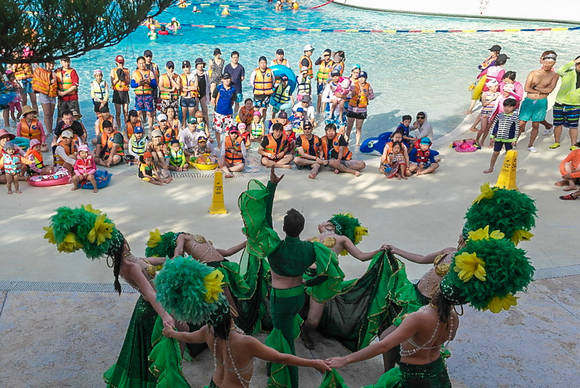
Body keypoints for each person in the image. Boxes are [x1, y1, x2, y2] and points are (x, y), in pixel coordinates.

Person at [44, 206, 177, 387]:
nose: (126, 240)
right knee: (154, 349)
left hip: (149, 306)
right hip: (151, 310)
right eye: (123, 240)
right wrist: (165, 315)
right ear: (122, 246)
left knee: (151, 348)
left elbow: (149, 261)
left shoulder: (128, 261)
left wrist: (171, 260)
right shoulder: (130, 267)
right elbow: (151, 293)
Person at [161, 263, 329, 388]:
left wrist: (171, 333)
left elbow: (187, 337)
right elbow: (282, 357)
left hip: (214, 384)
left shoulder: (207, 331)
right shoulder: (245, 342)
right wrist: (314, 363)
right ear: (231, 312)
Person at [302, 214, 383, 349]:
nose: (322, 223)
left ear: (332, 226)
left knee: (313, 318)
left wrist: (379, 251)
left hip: (317, 279)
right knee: (307, 311)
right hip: (311, 276)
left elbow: (362, 256)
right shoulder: (313, 238)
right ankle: (303, 329)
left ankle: (307, 332)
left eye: (326, 221)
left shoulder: (340, 239)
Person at [519, 51, 560, 152]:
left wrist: (536, 88)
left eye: (551, 63)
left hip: (541, 102)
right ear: (541, 60)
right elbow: (527, 88)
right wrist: (542, 91)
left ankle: (530, 144)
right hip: (529, 100)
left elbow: (550, 90)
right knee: (521, 123)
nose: (548, 65)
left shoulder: (554, 75)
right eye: (546, 62)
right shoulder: (533, 73)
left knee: (535, 124)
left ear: (554, 63)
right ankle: (514, 141)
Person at [550, 56, 580, 150]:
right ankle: (557, 142)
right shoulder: (568, 72)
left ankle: (573, 144)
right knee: (557, 124)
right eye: (578, 63)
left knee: (573, 126)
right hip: (560, 102)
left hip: (575, 105)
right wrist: (573, 61)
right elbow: (559, 71)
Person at [483, 98, 519, 174]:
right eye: (505, 106)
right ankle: (491, 168)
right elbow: (495, 126)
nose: (506, 108)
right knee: (495, 153)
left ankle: (508, 170)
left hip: (509, 140)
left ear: (514, 107)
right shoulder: (499, 115)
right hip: (499, 138)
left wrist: (515, 139)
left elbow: (517, 128)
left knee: (509, 155)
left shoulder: (515, 117)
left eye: (509, 107)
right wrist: (492, 137)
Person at [346, 70, 374, 145]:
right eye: (360, 77)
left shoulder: (368, 86)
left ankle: (357, 143)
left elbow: (372, 97)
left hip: (362, 110)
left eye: (363, 77)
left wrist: (367, 94)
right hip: (352, 108)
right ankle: (347, 140)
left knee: (358, 128)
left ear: (366, 78)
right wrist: (351, 93)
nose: (361, 79)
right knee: (349, 126)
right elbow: (347, 95)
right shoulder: (353, 85)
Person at [32, 61, 57, 139]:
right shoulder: (40, 71)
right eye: (49, 63)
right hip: (44, 94)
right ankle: (49, 131)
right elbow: (35, 66)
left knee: (51, 114)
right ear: (45, 64)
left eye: (52, 64)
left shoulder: (55, 73)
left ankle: (50, 130)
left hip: (52, 95)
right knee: (47, 113)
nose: (51, 65)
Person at [131, 56, 157, 130]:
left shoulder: (149, 72)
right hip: (139, 96)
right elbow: (132, 85)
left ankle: (150, 128)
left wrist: (149, 82)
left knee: (149, 113)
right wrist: (138, 84)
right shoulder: (135, 73)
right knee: (139, 113)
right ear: (137, 64)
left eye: (143, 63)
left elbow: (155, 84)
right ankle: (140, 127)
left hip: (148, 95)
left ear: (145, 63)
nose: (142, 65)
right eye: (140, 63)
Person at [212, 72, 236, 145]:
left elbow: (232, 101)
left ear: (230, 79)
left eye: (228, 78)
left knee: (229, 131)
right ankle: (219, 143)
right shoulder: (218, 88)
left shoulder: (233, 89)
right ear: (222, 80)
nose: (227, 80)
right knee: (217, 130)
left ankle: (227, 144)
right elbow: (213, 99)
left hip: (229, 113)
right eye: (225, 79)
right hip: (218, 113)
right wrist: (217, 109)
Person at [474, 79, 501, 147]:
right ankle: (477, 139)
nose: (496, 87)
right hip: (485, 114)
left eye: (497, 86)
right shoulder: (485, 94)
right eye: (494, 86)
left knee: (487, 129)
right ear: (489, 87)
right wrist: (493, 98)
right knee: (483, 129)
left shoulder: (498, 94)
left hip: (492, 114)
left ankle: (482, 140)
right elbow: (484, 104)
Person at [110, 55, 131, 130]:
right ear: (116, 63)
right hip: (117, 92)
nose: (121, 64)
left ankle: (127, 127)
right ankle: (119, 127)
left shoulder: (127, 70)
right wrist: (118, 77)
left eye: (122, 63)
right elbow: (112, 83)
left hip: (125, 92)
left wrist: (124, 76)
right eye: (119, 63)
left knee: (126, 111)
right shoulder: (113, 70)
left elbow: (128, 82)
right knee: (118, 112)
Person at [179, 60, 197, 127]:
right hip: (184, 98)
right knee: (183, 116)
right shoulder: (180, 76)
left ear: (190, 67)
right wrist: (189, 88)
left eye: (187, 66)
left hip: (191, 98)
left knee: (191, 116)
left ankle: (192, 128)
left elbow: (195, 87)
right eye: (184, 67)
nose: (185, 68)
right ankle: (183, 127)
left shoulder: (194, 76)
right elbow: (180, 88)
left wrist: (187, 88)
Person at [193, 57, 211, 125]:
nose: (200, 65)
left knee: (205, 111)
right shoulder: (193, 73)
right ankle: (196, 125)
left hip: (203, 94)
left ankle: (207, 126)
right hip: (196, 94)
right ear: (196, 65)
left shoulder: (206, 73)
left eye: (201, 64)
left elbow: (208, 84)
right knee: (196, 111)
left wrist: (209, 94)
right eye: (199, 64)